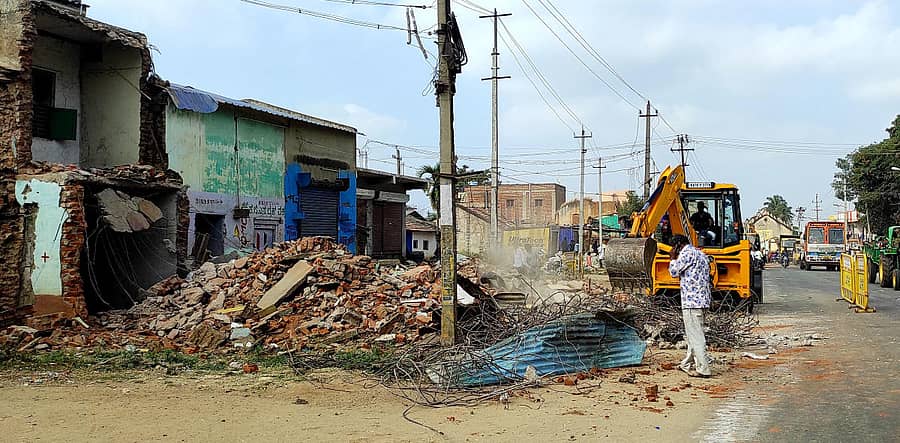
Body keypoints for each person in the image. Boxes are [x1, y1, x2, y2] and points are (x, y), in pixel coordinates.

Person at [668, 234, 712, 378]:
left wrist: (673, 258)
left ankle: (703, 369)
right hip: (703, 300)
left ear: (678, 245)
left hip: (691, 301)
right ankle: (686, 363)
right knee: (693, 335)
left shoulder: (686, 254)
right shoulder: (701, 254)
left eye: (674, 248)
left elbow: (674, 273)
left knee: (696, 336)